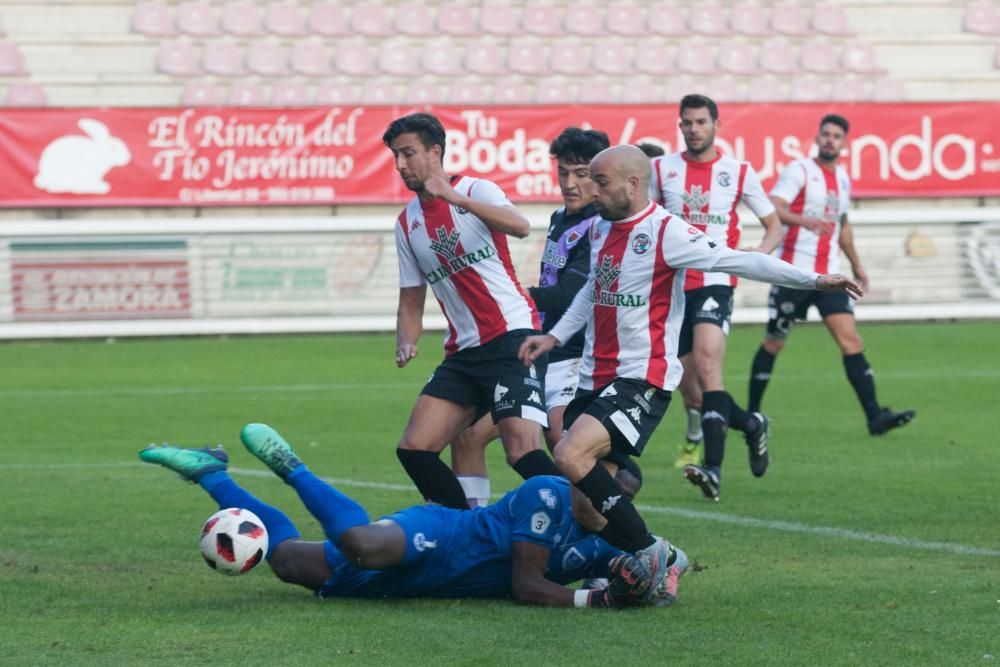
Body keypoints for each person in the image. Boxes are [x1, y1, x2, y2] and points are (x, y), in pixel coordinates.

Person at [519, 144, 862, 594]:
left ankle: (649, 554)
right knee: (586, 508)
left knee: (568, 453)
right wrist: (555, 337)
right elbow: (591, 289)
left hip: (641, 376)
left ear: (633, 183)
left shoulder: (666, 232)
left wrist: (814, 279)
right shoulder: (600, 229)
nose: (589, 190)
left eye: (599, 181)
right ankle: (665, 560)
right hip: (594, 376)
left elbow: (741, 260)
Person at [138, 423, 688, 608]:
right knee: (360, 543)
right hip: (442, 536)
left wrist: (664, 574)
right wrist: (601, 598)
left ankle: (210, 473)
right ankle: (291, 466)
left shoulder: (612, 542)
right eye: (597, 487)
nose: (603, 502)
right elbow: (526, 583)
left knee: (282, 561)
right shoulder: (547, 492)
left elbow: (670, 562)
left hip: (427, 584)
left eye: (615, 499)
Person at [385, 112, 561, 510]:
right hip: (463, 352)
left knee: (520, 451)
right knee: (415, 448)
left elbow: (519, 226)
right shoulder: (406, 223)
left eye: (408, 153)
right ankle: (469, 531)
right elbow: (411, 298)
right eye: (395, 156)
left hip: (513, 338)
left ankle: (590, 523)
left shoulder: (476, 189)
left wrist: (454, 197)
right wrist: (405, 341)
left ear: (435, 151)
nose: (400, 165)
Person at [449, 127, 611, 507]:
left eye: (581, 174)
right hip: (537, 352)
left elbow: (570, 294)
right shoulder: (559, 219)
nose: (570, 183)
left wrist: (513, 294)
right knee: (470, 435)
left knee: (562, 443)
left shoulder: (602, 226)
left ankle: (605, 519)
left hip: (576, 357)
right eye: (563, 173)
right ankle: (471, 527)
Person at [649, 94, 785, 499]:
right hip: (673, 288)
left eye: (700, 122)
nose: (693, 129)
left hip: (715, 281)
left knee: (709, 368)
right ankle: (752, 424)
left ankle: (713, 469)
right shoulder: (662, 169)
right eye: (686, 123)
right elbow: (649, 222)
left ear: (716, 125)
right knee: (693, 393)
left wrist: (758, 256)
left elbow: (773, 226)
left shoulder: (738, 172)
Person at [747, 114, 916, 436]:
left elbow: (844, 227)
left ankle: (874, 417)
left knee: (851, 341)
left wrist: (857, 265)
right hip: (793, 275)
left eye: (836, 136)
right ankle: (752, 417)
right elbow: (774, 207)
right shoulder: (800, 171)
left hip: (830, 278)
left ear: (843, 143)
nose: (829, 140)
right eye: (825, 134)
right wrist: (802, 220)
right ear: (818, 137)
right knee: (774, 343)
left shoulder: (841, 179)